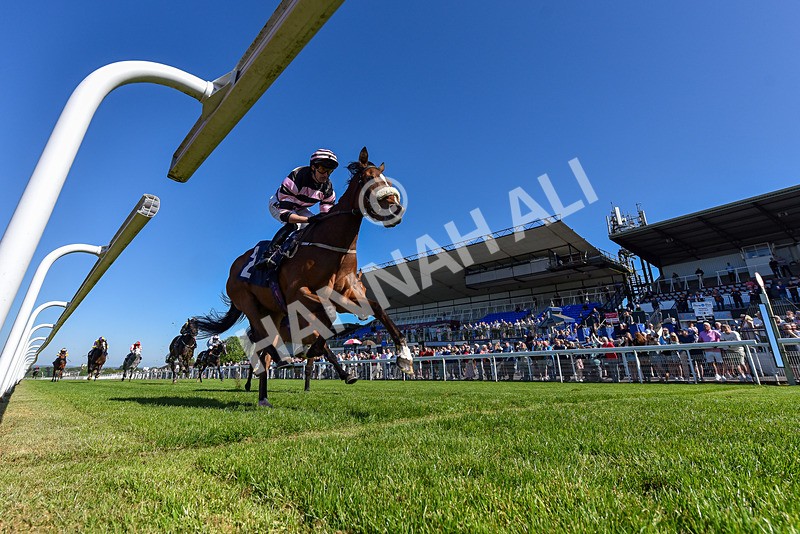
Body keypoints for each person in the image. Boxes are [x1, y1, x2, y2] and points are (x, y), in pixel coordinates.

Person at [255, 148, 339, 270]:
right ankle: (267, 255)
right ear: (313, 167)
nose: (325, 175)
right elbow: (286, 214)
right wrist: (308, 220)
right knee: (293, 225)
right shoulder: (297, 176)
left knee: (317, 227)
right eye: (322, 169)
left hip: (299, 207)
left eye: (329, 171)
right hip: (279, 203)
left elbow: (326, 215)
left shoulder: (327, 188)